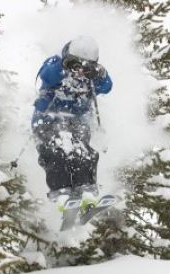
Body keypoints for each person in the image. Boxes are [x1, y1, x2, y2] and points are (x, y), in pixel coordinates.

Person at [32, 36, 112, 208]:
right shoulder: (56, 64)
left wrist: (100, 73)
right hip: (48, 119)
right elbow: (47, 75)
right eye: (76, 65)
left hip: (77, 122)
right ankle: (61, 191)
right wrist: (64, 66)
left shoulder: (89, 78)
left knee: (83, 152)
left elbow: (106, 86)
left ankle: (86, 188)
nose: (80, 72)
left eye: (86, 67)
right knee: (57, 149)